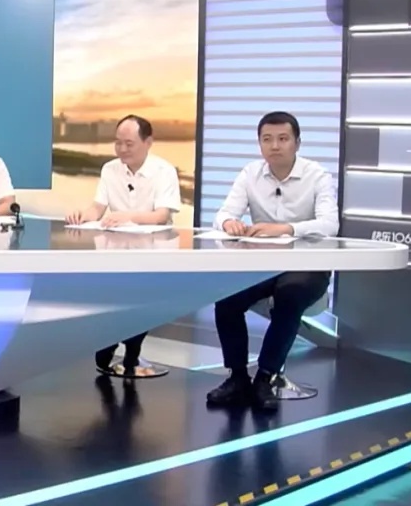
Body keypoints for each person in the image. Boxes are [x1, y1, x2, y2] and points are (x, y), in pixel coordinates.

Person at [207, 111, 338, 411]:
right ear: (260, 144)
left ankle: (265, 377)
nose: (275, 146)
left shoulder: (317, 175)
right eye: (267, 139)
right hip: (262, 265)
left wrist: (286, 229)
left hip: (306, 266)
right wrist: (229, 223)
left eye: (282, 138)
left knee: (289, 295)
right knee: (226, 298)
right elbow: (224, 212)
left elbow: (330, 224)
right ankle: (237, 377)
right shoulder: (250, 174)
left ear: (297, 143)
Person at [66, 115, 182, 375]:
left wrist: (127, 217)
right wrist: (83, 215)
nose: (122, 149)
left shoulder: (164, 171)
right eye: (118, 143)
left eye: (129, 144)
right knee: (110, 294)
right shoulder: (110, 169)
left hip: (152, 251)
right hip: (116, 251)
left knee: (140, 296)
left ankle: (131, 353)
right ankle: (115, 343)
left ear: (148, 142)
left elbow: (161, 215)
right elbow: (97, 208)